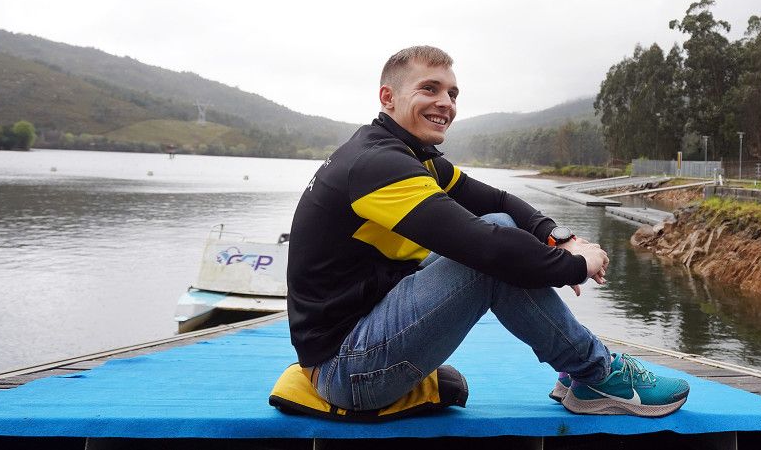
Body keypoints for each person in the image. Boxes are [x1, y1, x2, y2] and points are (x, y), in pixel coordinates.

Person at [286, 45, 688, 417]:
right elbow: (487, 249)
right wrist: (573, 266)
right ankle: (595, 372)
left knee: (499, 228)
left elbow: (497, 201)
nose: (445, 103)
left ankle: (582, 370)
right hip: (349, 371)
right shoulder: (377, 165)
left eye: (453, 93)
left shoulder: (407, 155)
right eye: (430, 89)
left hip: (362, 341)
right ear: (388, 97)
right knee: (488, 257)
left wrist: (558, 237)